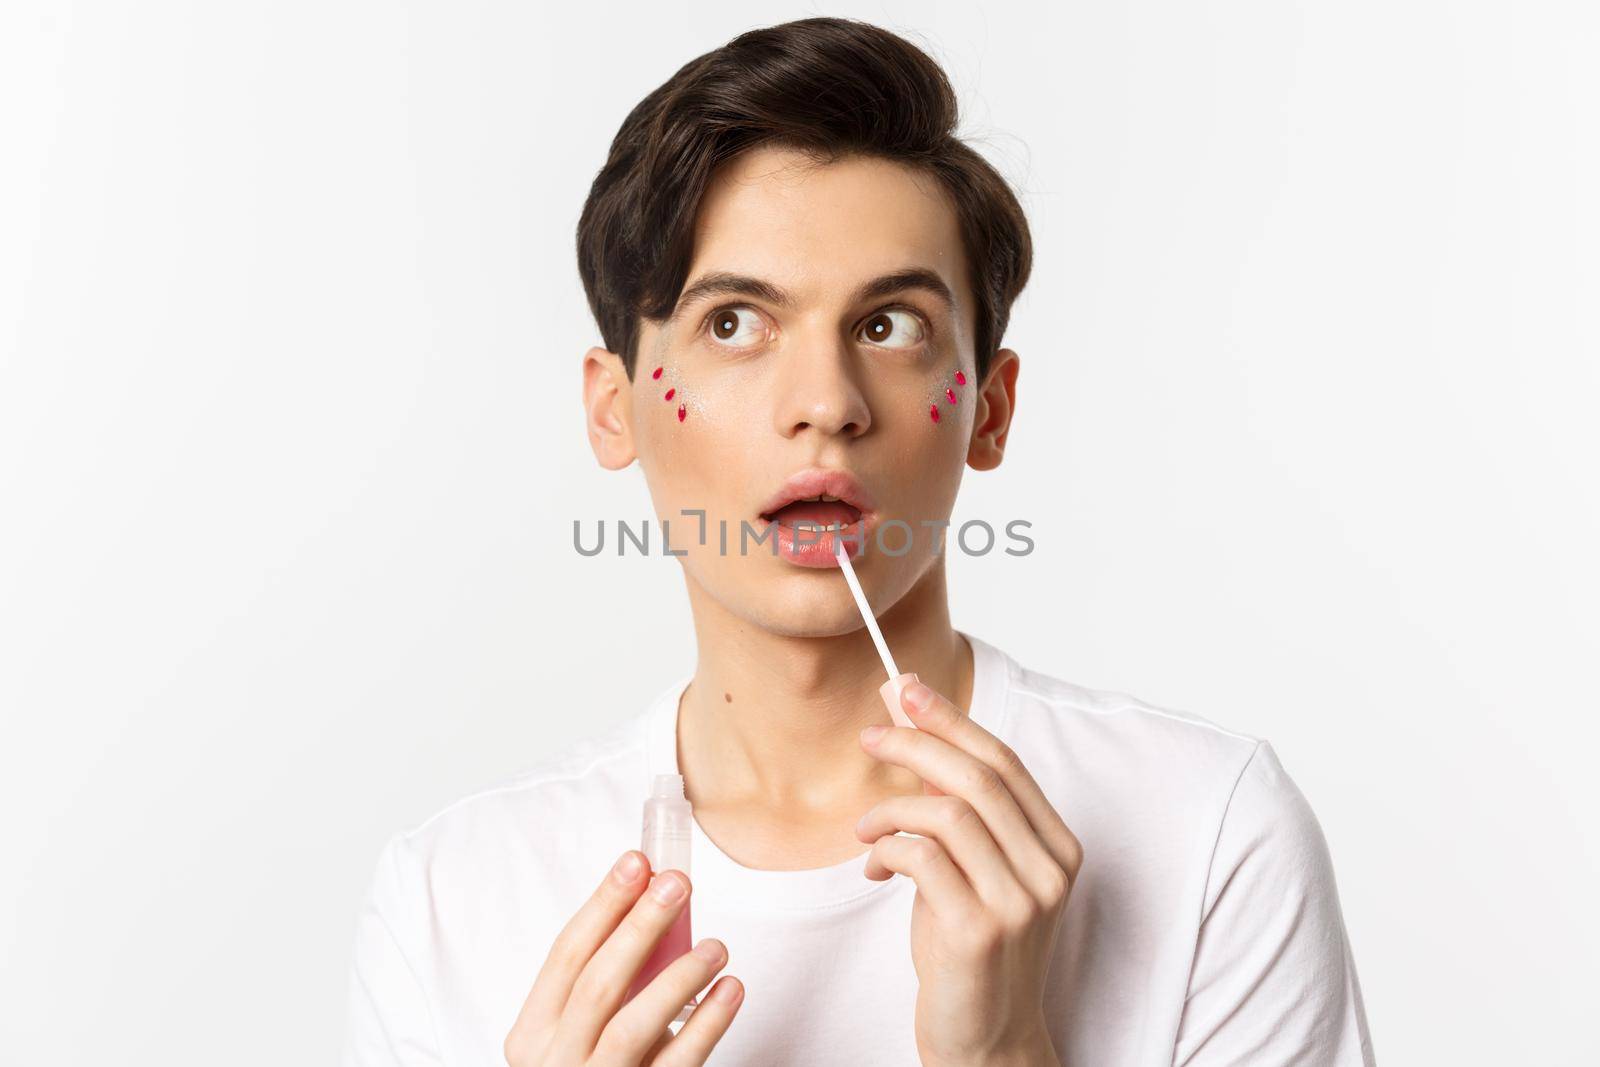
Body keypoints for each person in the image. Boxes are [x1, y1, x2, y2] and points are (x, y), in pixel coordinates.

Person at [342, 16, 1374, 1066]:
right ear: (613, 409)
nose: (825, 404)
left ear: (989, 408)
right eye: (735, 323)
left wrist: (1007, 1049)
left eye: (890, 326)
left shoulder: (1205, 831)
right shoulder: (455, 894)